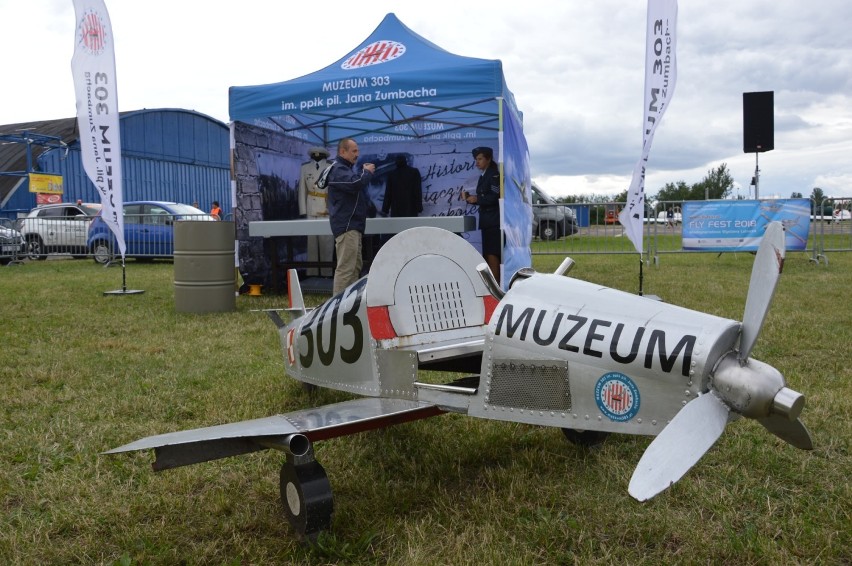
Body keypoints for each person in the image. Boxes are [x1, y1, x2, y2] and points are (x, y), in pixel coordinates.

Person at [327, 138, 375, 295]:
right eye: (354, 151)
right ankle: (335, 311)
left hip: (352, 227)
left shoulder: (344, 169)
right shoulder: (338, 170)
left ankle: (349, 306)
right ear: (342, 152)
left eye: (357, 151)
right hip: (347, 227)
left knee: (354, 268)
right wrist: (366, 172)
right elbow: (356, 184)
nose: (357, 154)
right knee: (346, 269)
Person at [462, 146, 501, 284]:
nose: (477, 162)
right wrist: (471, 199)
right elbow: (484, 198)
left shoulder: (494, 175)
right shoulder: (484, 175)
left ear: (488, 159)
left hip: (493, 221)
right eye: (476, 159)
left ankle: (496, 287)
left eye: (480, 159)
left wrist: (477, 199)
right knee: (488, 254)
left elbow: (496, 197)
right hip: (487, 220)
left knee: (492, 255)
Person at [298, 146, 334, 276]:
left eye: (318, 156)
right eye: (314, 156)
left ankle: (326, 273)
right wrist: (303, 210)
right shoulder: (305, 168)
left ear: (324, 156)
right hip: (311, 208)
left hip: (326, 207)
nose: (316, 157)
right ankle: (312, 272)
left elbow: (333, 190)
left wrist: (332, 208)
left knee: (327, 242)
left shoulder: (331, 167)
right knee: (311, 242)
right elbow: (302, 190)